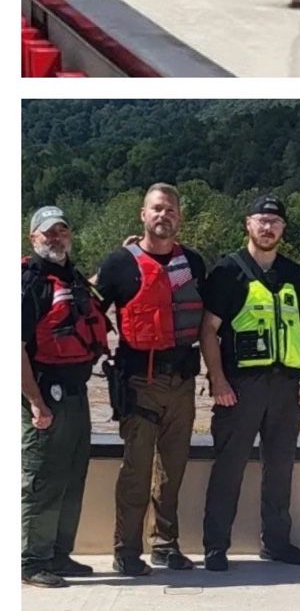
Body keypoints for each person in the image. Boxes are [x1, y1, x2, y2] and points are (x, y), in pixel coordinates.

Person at [198, 195, 300, 571]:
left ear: (283, 229)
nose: (268, 228)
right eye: (261, 220)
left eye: (275, 222)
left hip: (287, 387)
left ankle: (277, 543)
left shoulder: (294, 274)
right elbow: (208, 331)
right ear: (247, 225)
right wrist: (218, 380)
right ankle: (216, 547)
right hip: (240, 386)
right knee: (229, 466)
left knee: (280, 467)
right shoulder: (227, 271)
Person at [93, 183, 208, 575]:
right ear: (143, 215)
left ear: (180, 218)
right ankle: (126, 552)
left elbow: (209, 322)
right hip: (138, 382)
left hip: (183, 382)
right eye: (157, 209)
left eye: (171, 210)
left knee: (172, 471)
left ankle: (165, 545)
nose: (164, 216)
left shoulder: (193, 263)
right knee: (136, 471)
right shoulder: (118, 264)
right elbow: (88, 311)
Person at [21, 205, 110, 587]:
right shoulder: (28, 284)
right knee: (42, 478)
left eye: (61, 231)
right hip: (42, 395)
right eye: (47, 232)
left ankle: (58, 554)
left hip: (75, 392)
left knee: (73, 474)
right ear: (32, 238)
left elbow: (89, 308)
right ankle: (30, 560)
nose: (55, 237)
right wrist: (35, 401)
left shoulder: (70, 277)